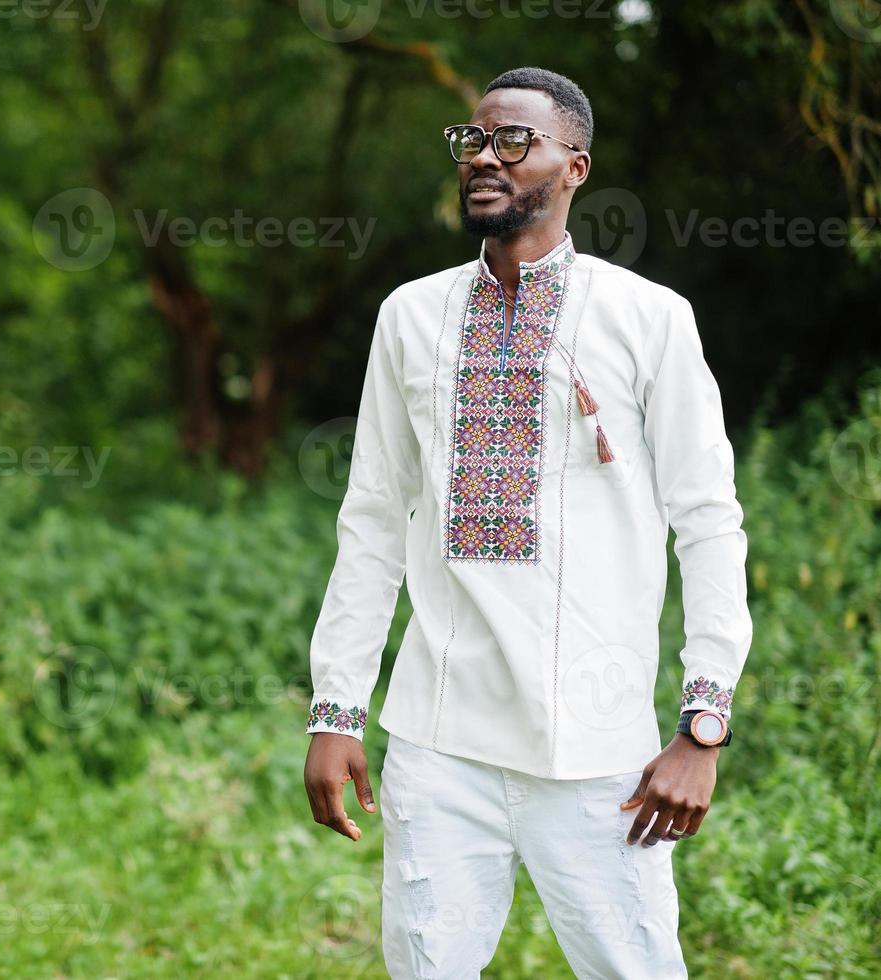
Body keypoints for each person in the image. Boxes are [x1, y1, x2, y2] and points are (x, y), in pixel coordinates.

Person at [301, 66, 752, 979]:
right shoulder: (411, 317)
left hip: (599, 755)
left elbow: (708, 522)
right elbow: (374, 520)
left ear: (573, 168)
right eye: (472, 140)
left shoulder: (646, 319)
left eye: (514, 142)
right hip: (438, 744)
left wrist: (702, 724)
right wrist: (336, 708)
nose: (484, 158)